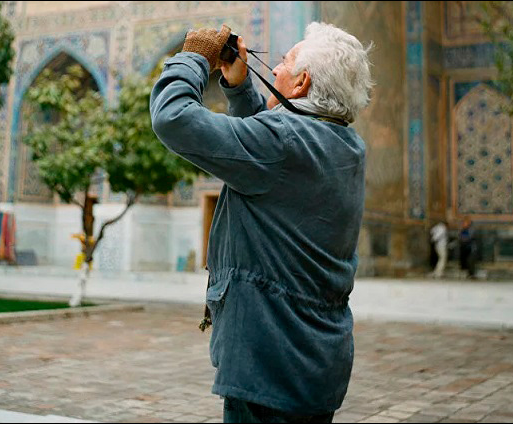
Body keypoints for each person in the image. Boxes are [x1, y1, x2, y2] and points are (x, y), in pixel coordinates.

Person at [151, 22, 372, 423]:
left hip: (268, 365)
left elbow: (172, 118)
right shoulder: (346, 145)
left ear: (301, 83)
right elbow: (271, 160)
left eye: (284, 62)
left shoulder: (283, 143)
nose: (276, 69)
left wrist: (193, 57)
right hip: (314, 364)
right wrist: (239, 89)